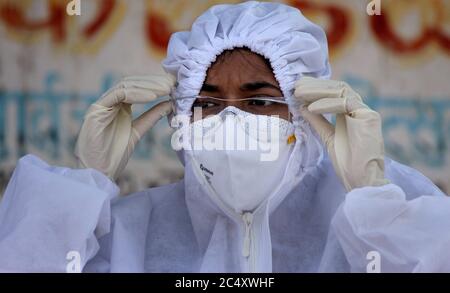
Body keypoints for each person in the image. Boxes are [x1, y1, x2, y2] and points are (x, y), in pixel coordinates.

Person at [0, 1, 449, 273]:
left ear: (306, 114)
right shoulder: (129, 234)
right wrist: (85, 184)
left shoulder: (365, 227)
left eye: (258, 102)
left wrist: (373, 201)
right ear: (182, 117)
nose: (229, 120)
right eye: (209, 103)